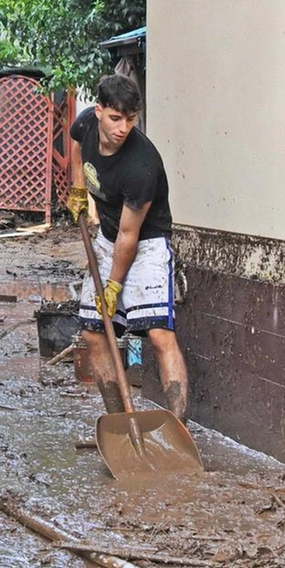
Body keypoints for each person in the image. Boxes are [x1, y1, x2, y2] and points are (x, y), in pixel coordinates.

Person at [67, 74, 189, 422]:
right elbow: (76, 145)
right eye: (115, 119)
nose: (123, 128)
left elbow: (129, 234)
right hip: (108, 238)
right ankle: (121, 425)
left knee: (159, 333)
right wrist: (78, 189)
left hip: (146, 242)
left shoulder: (142, 165)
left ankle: (176, 427)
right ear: (99, 111)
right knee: (93, 332)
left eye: (131, 120)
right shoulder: (86, 123)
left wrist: (114, 285)